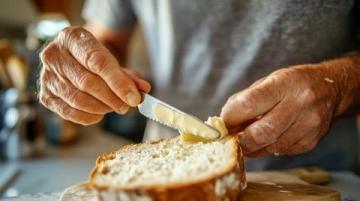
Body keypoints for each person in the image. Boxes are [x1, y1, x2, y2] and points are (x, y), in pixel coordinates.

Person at [38, 0, 360, 172]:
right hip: (165, 174)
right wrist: (84, 69)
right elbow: (108, 38)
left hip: (319, 179)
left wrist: (338, 85)